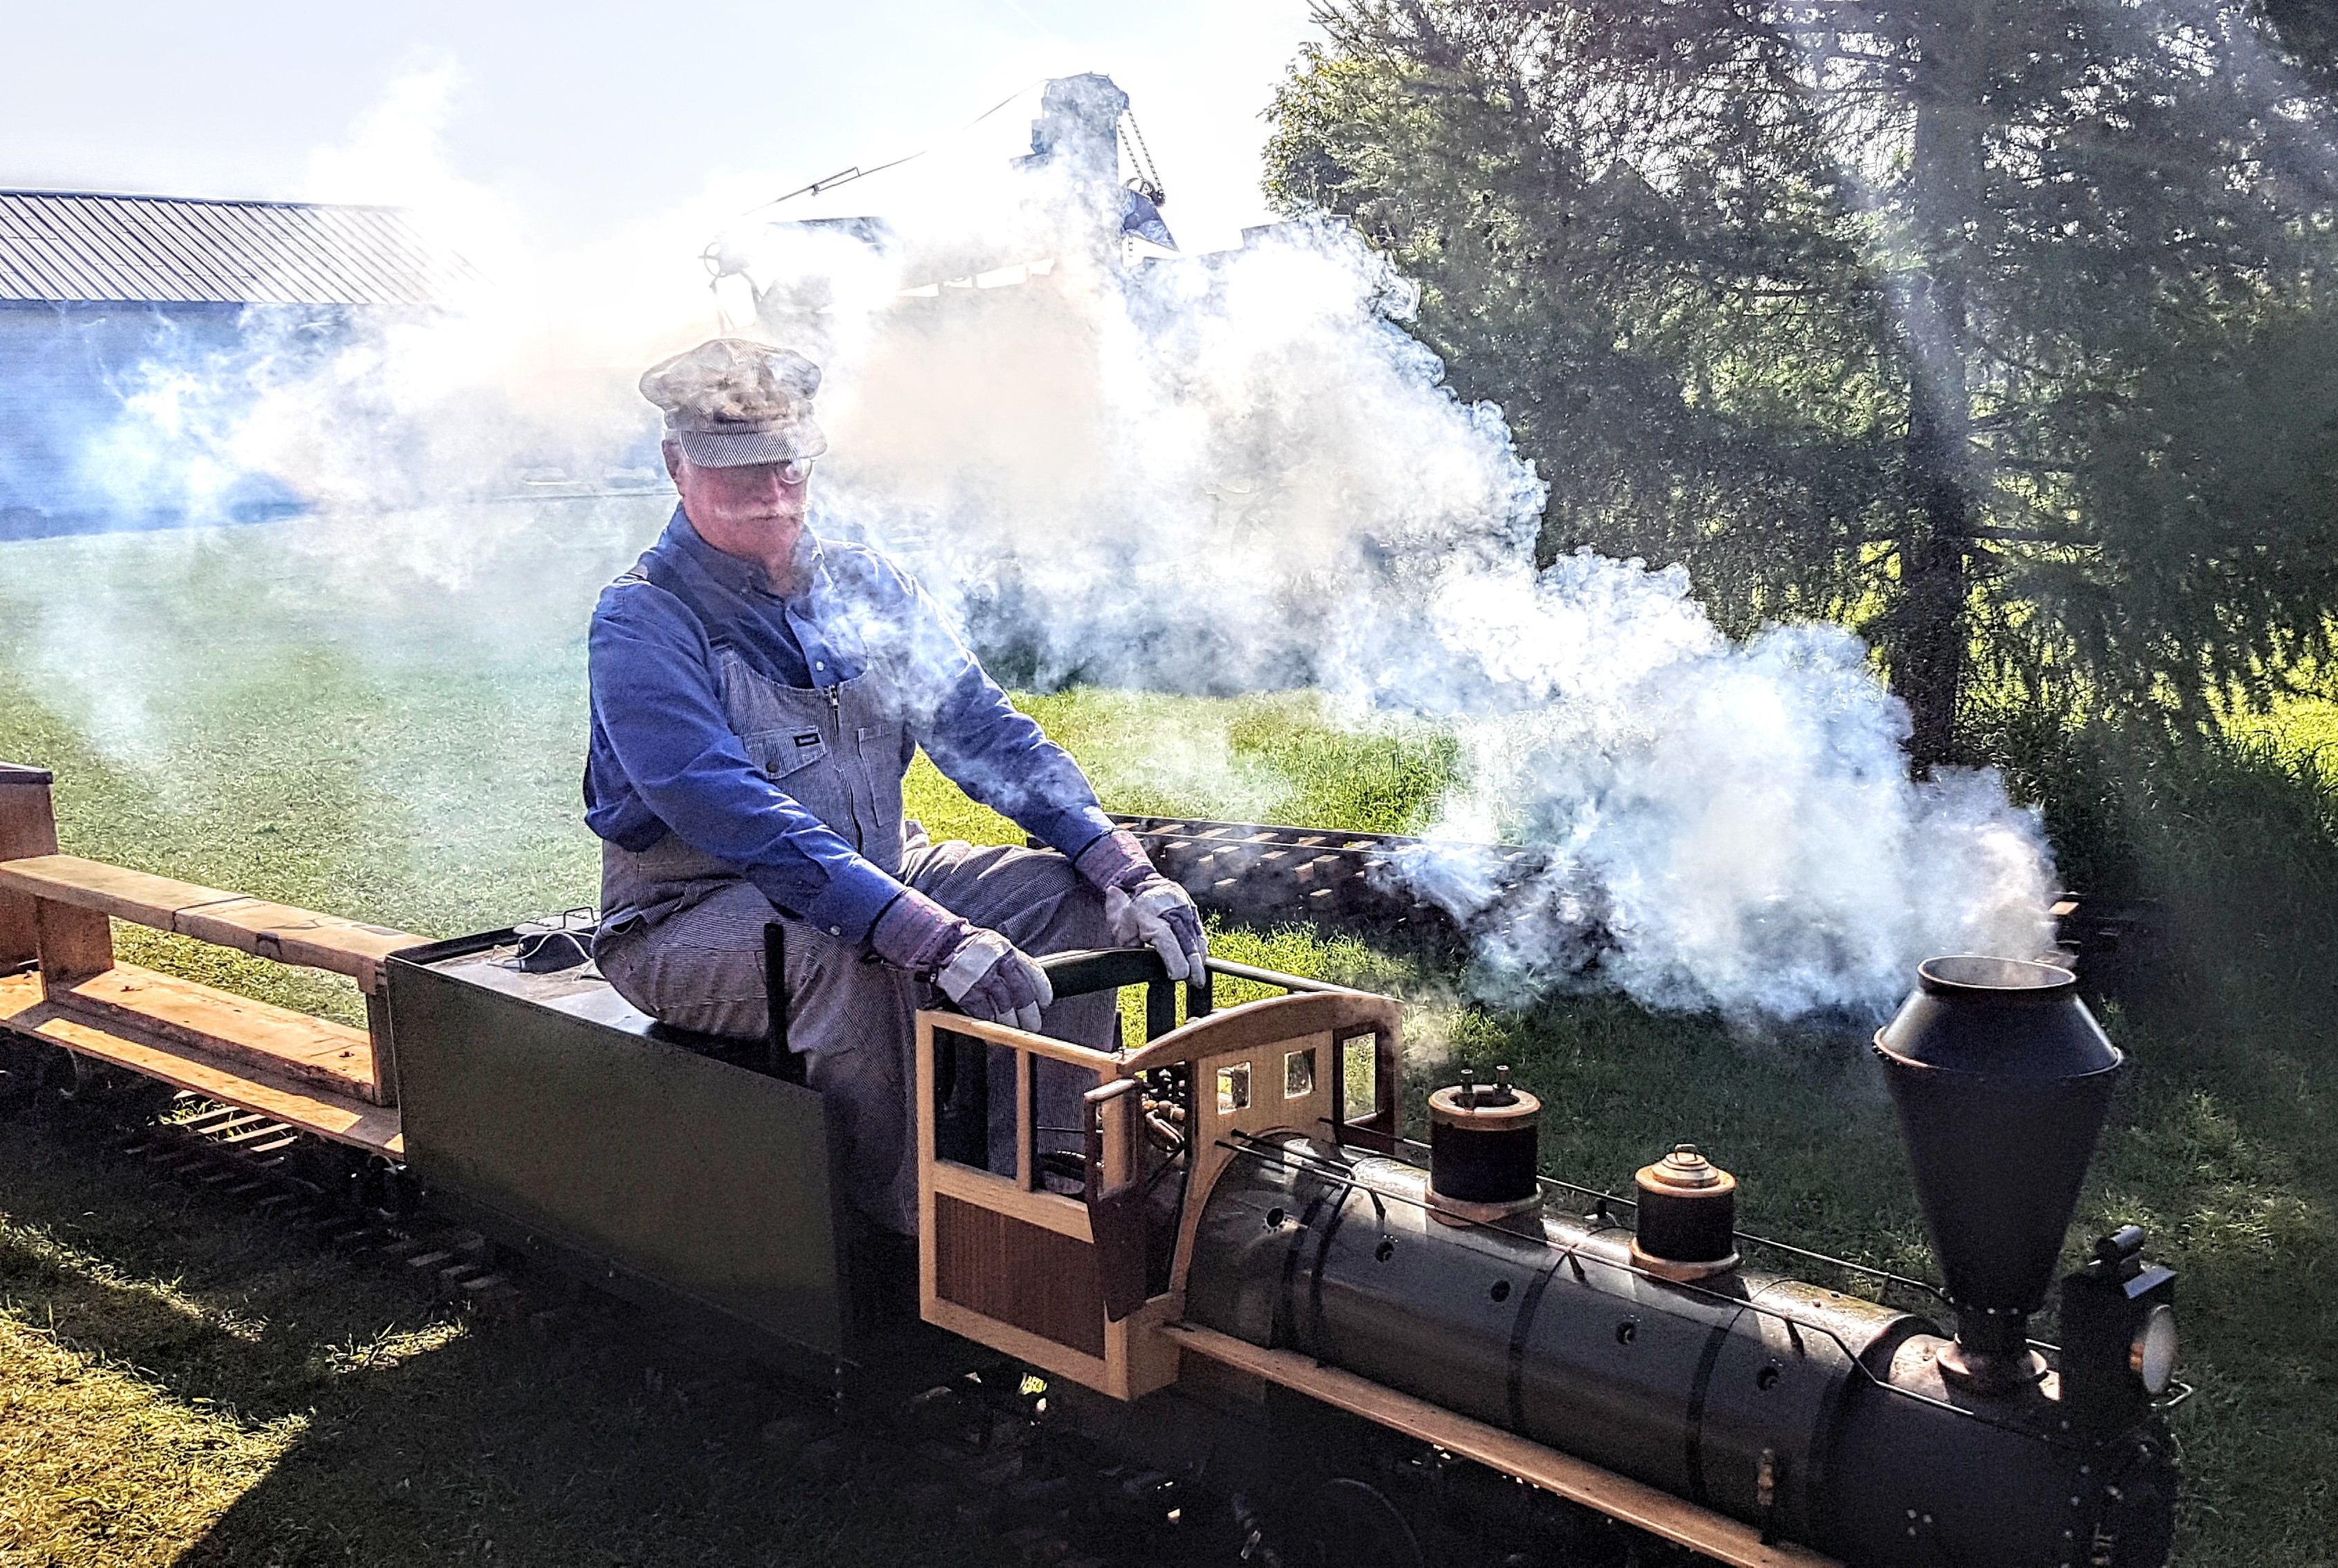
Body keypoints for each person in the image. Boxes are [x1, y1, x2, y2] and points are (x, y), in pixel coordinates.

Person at [584, 338, 1206, 1235]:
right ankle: (914, 1237)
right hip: (686, 915)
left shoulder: (864, 586)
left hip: (884, 868)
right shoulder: (641, 617)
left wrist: (1123, 868)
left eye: (787, 468)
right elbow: (715, 796)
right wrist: (916, 929)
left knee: (1066, 897)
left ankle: (1049, 1184)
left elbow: (983, 729)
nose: (771, 495)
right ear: (675, 465)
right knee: (853, 955)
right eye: (738, 473)